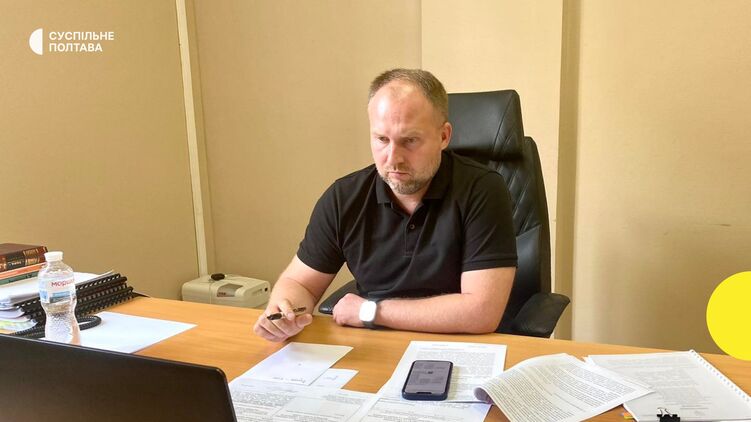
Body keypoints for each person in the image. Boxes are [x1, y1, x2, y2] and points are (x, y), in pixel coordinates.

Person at [254, 69, 517, 342]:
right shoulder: (343, 198)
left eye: (410, 140)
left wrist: (370, 311)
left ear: (443, 136)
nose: (393, 159)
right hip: (373, 346)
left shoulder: (482, 189)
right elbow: (301, 284)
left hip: (458, 345)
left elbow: (481, 311)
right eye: (382, 139)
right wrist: (284, 312)